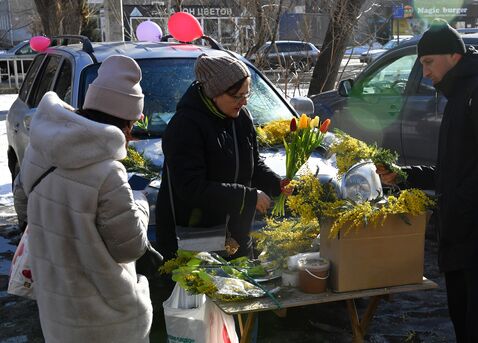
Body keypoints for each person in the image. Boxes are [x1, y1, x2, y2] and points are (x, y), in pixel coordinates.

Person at [377, 19, 478, 343]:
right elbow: (452, 171)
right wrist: (403, 175)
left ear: (453, 56)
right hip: (461, 236)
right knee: (464, 327)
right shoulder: (457, 95)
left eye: (428, 62)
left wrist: (455, 204)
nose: (424, 72)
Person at [14, 55, 152, 342]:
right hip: (105, 317)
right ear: (124, 122)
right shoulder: (107, 172)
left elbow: (24, 205)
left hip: (57, 311)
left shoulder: (40, 150)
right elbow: (131, 247)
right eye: (133, 125)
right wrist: (140, 202)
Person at [155, 53, 291, 262]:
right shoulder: (186, 126)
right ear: (214, 93)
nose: (244, 102)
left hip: (237, 237)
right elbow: (191, 188)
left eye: (247, 94)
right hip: (194, 241)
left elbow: (252, 166)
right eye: (237, 96)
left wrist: (277, 184)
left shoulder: (242, 118)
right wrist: (247, 197)